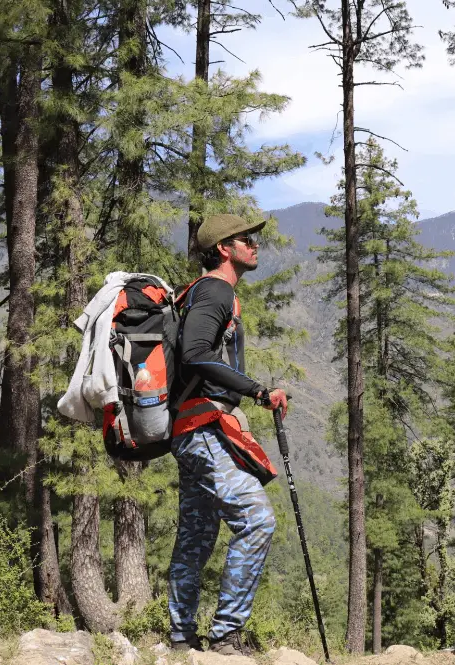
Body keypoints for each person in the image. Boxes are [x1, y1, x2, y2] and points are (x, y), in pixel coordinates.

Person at [168, 213, 289, 656]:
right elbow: (195, 352)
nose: (255, 246)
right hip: (202, 429)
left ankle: (181, 638)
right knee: (256, 520)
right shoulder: (216, 291)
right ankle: (225, 635)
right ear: (224, 248)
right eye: (246, 240)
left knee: (196, 535)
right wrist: (257, 390)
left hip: (192, 427)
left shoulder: (204, 292)